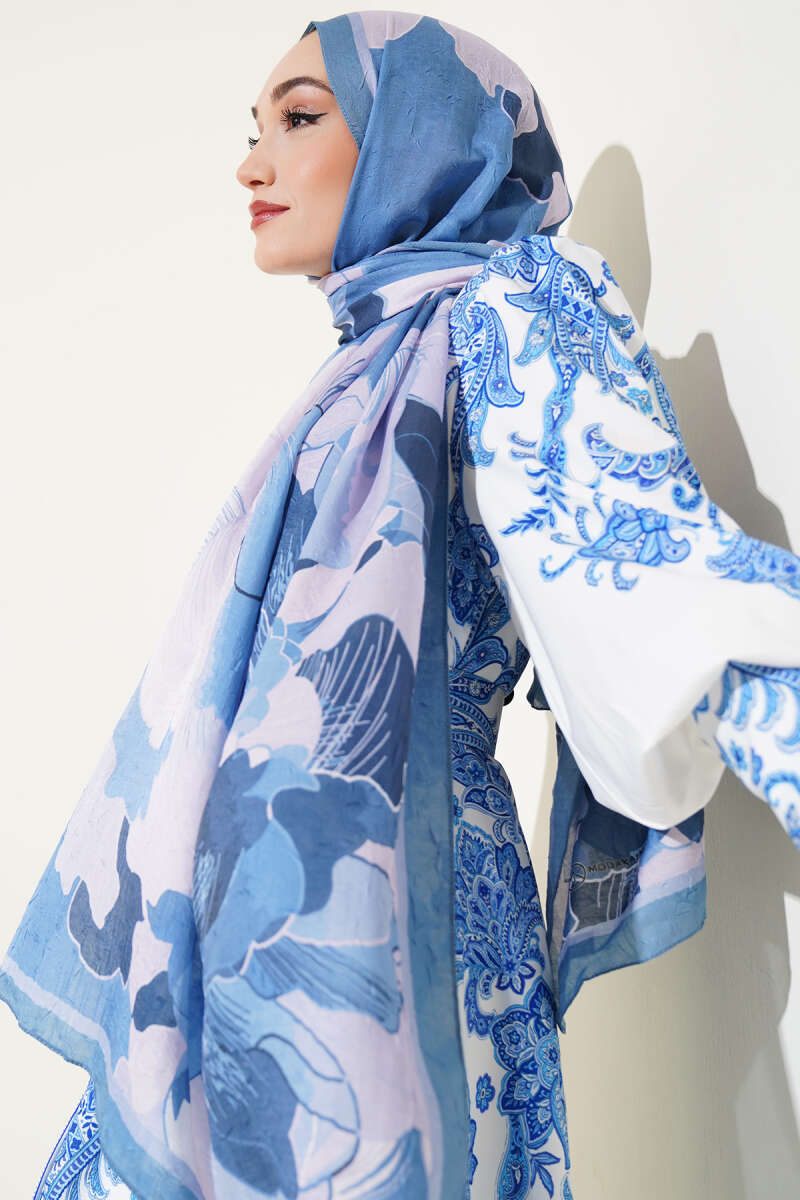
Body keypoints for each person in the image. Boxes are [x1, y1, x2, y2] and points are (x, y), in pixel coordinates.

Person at [7, 11, 800, 1200]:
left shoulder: (512, 313)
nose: (252, 163)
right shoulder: (363, 368)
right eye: (251, 129)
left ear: (420, 137)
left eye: (299, 117)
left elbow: (645, 567)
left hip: (397, 911)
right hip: (236, 926)